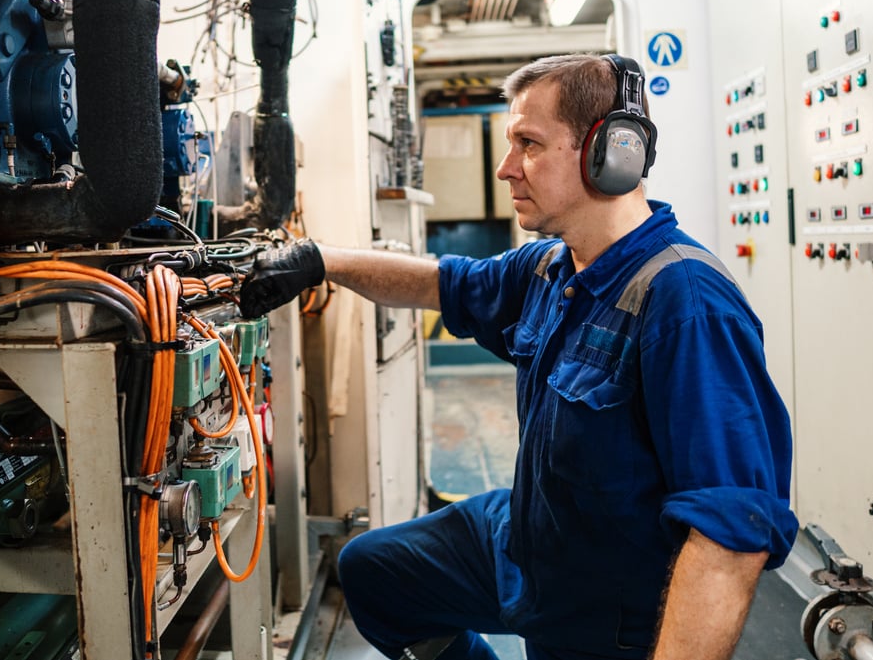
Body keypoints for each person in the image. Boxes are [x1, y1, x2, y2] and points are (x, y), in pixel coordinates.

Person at [239, 53, 797, 660]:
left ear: (612, 153)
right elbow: (438, 283)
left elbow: (730, 537)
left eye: (528, 144)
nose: (506, 169)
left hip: (605, 602)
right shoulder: (552, 268)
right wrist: (321, 260)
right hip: (528, 540)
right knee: (376, 572)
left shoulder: (684, 303)